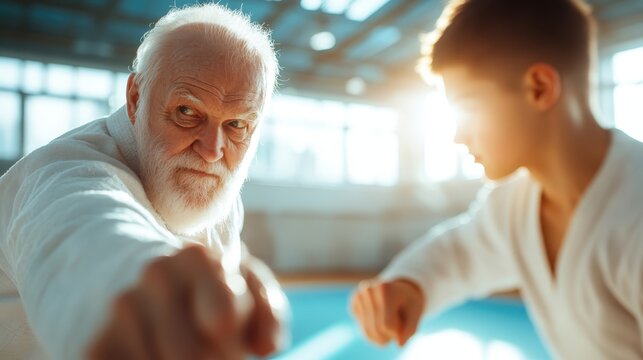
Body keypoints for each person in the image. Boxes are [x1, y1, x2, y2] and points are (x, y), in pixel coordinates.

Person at [351, 0, 643, 358]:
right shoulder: (513, 203)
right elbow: (459, 251)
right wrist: (410, 285)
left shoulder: (635, 216)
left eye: (468, 108)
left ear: (539, 88)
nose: (458, 136)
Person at [0, 4, 289, 359]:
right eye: (187, 112)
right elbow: (78, 228)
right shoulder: (60, 172)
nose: (213, 150)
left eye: (237, 125)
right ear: (136, 99)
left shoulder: (220, 197)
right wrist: (128, 278)